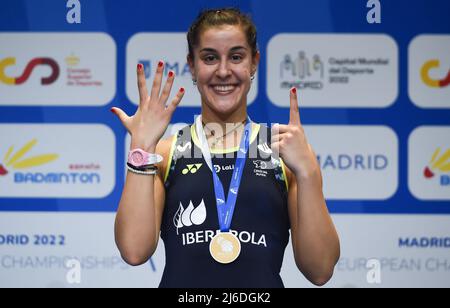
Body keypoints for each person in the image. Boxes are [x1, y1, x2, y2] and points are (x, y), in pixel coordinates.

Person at [111, 7, 340, 288]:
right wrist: (142, 147)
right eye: (209, 58)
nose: (223, 71)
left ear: (254, 63)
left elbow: (320, 270)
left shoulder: (286, 155)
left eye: (236, 56)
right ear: (192, 66)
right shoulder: (166, 153)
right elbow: (134, 251)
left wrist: (307, 173)